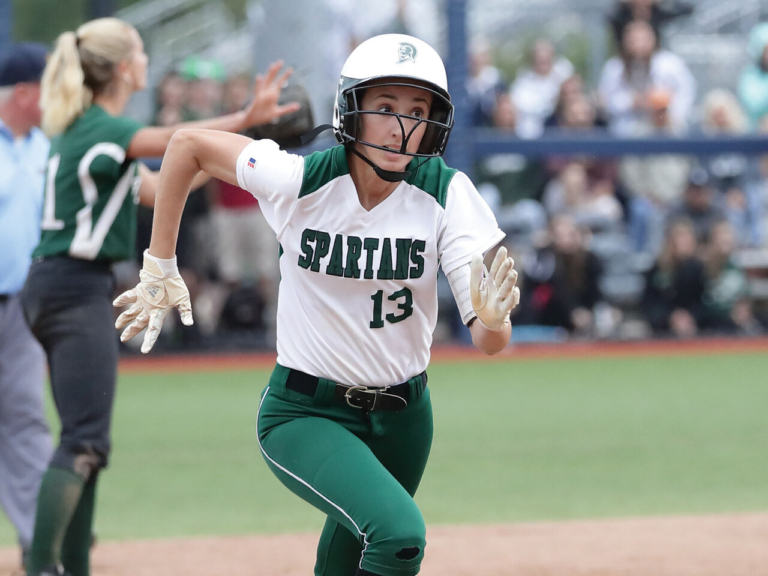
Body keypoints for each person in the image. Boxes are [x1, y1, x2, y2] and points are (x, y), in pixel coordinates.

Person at [115, 33, 520, 576]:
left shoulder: (448, 194)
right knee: (399, 536)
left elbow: (490, 342)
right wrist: (159, 264)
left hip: (406, 418)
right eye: (385, 107)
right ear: (350, 109)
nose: (403, 127)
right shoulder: (299, 178)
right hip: (306, 411)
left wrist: (494, 321)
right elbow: (188, 144)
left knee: (347, 559)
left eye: (418, 111)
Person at [20, 17, 298, 576]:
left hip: (60, 287)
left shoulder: (89, 129)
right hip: (74, 290)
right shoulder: (103, 127)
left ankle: (72, 567)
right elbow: (176, 142)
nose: (146, 60)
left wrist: (198, 160)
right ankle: (41, 565)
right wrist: (242, 121)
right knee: (83, 441)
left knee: (88, 443)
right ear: (124, 67)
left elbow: (158, 185)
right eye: (141, 52)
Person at [0, 43, 53, 572]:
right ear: (24, 92)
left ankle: (40, 538)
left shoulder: (46, 147)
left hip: (19, 306)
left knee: (24, 419)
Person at [598, 20, 695, 136]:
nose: (639, 46)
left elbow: (687, 91)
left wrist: (669, 108)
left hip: (667, 129)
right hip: (626, 133)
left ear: (653, 40)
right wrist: (631, 102)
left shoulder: (670, 64)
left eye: (643, 40)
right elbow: (606, 101)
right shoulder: (614, 67)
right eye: (633, 41)